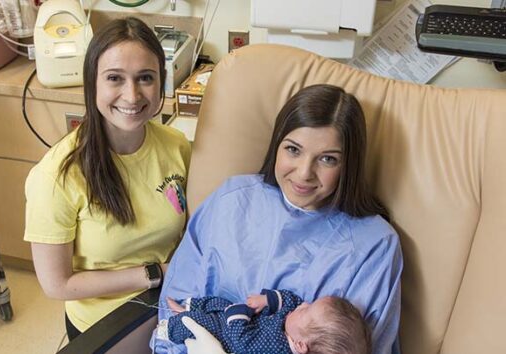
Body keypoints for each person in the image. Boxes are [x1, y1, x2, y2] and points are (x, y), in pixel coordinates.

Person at [155, 84, 403, 354]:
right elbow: (173, 307)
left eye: (328, 159)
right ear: (277, 145)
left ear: (349, 165)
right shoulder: (231, 199)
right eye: (294, 150)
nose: (305, 172)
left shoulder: (375, 247)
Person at [24, 17, 191, 341]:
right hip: (105, 327)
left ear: (162, 82)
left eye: (145, 78)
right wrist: (153, 275)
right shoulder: (57, 176)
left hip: (168, 307)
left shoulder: (176, 146)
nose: (132, 95)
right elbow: (57, 284)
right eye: (115, 78)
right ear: (93, 84)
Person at [163, 290, 371, 354]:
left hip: (229, 338)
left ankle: (169, 328)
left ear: (300, 345)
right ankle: (188, 307)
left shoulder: (275, 346)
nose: (303, 303)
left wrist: (238, 313)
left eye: (307, 309)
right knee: (218, 302)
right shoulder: (297, 327)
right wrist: (268, 300)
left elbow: (241, 340)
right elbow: (293, 300)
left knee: (201, 321)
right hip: (244, 322)